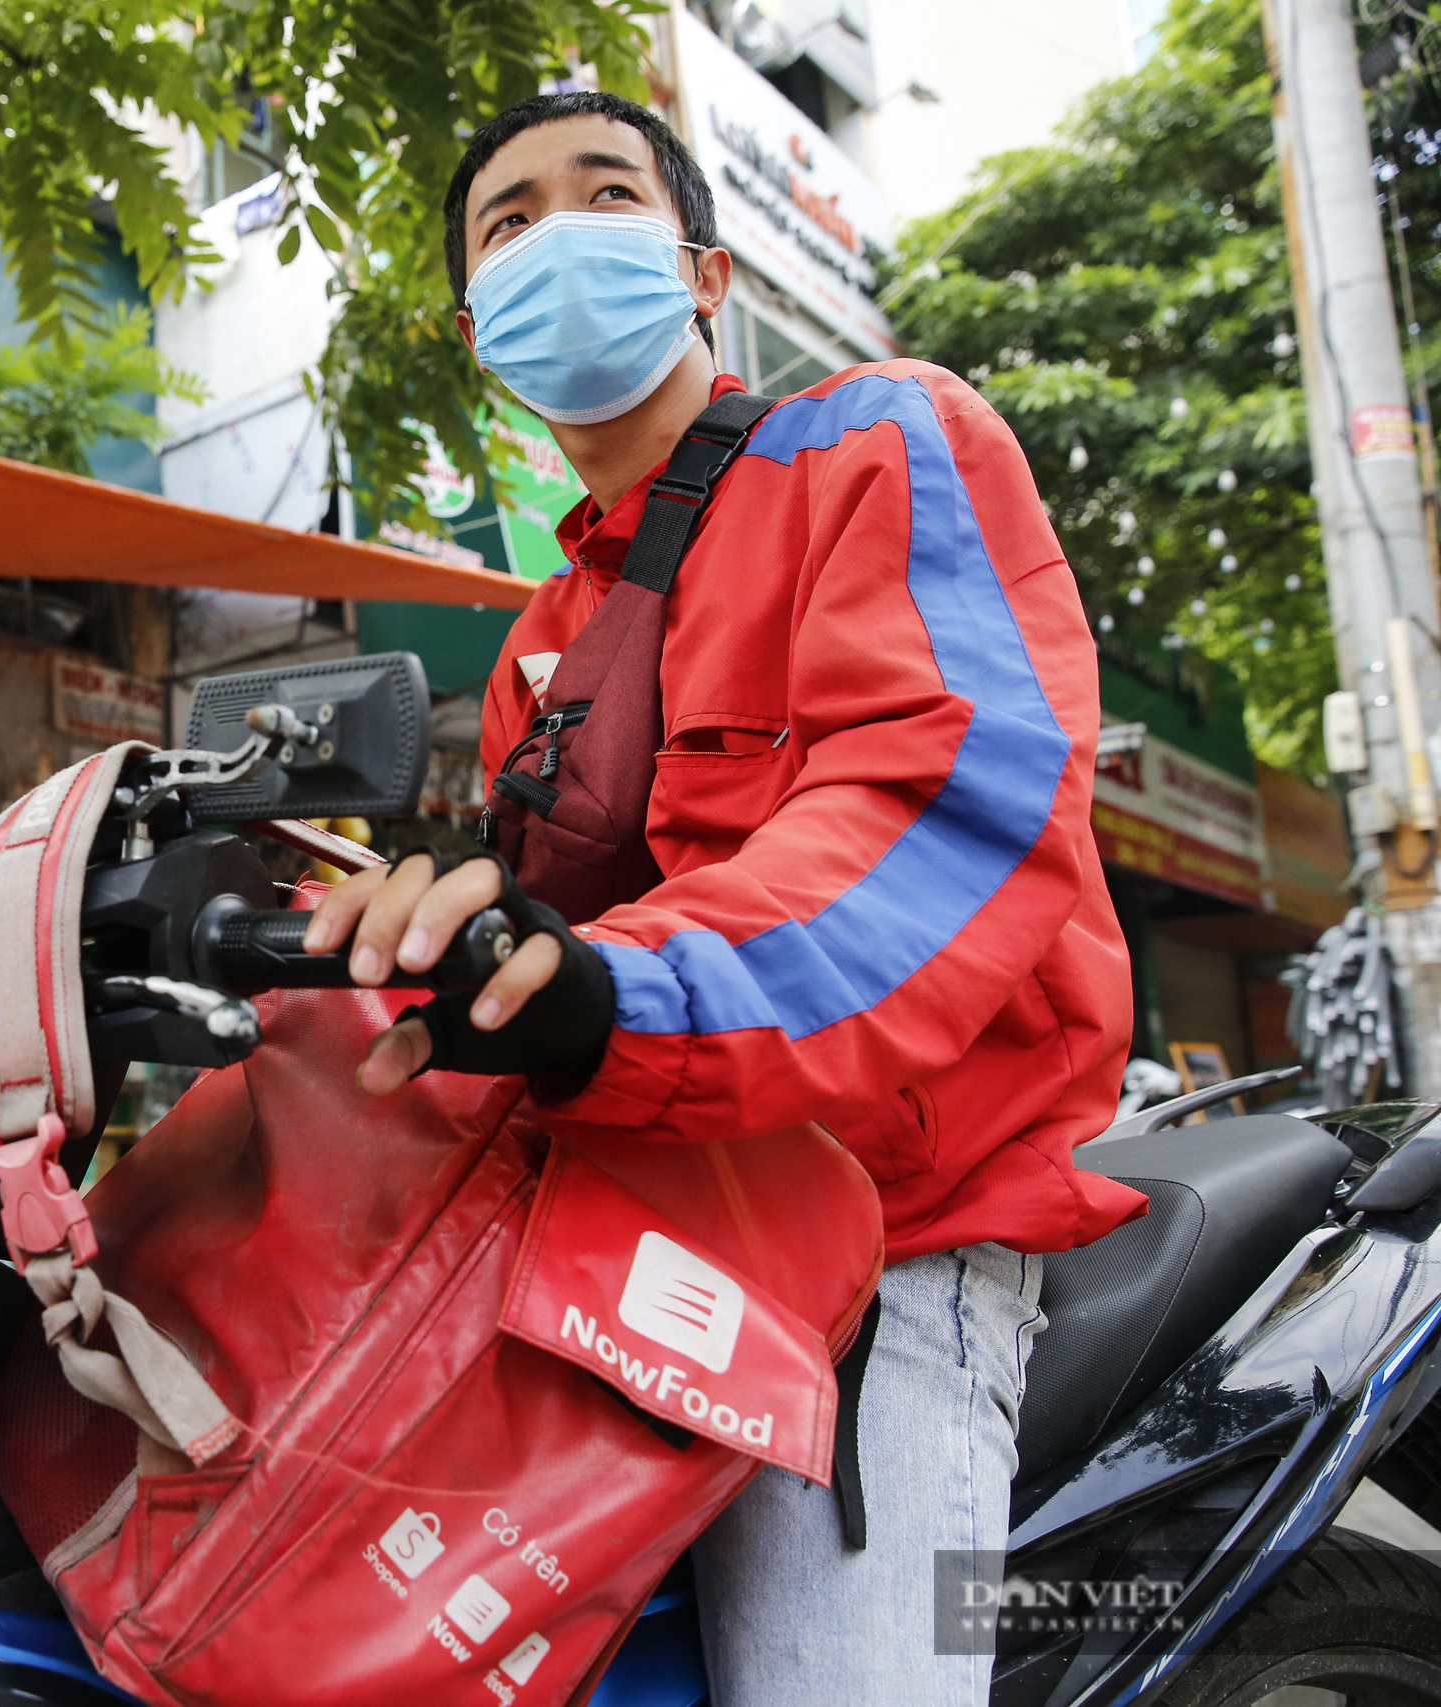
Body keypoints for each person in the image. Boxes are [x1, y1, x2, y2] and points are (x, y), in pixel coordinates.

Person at [303, 91, 1147, 1704]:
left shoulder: (888, 442)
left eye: (602, 195)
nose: (558, 236)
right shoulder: (540, 645)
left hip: (895, 1252)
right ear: (477, 327)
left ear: (701, 269)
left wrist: (617, 994)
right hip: (636, 1232)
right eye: (510, 222)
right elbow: (524, 951)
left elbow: (933, 825)